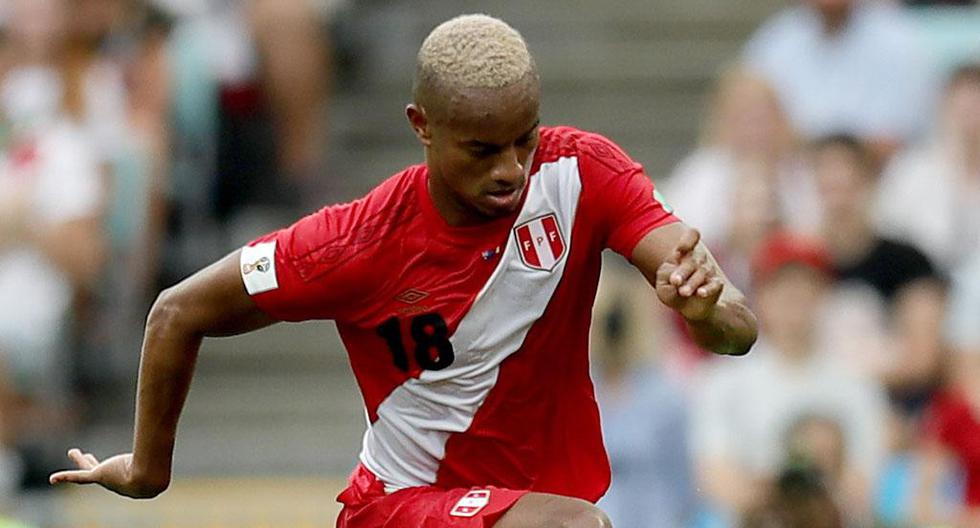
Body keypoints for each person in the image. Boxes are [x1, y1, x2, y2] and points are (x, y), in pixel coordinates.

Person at [47, 14, 758, 528]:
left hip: (531, 508)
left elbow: (737, 329)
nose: (511, 169)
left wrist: (704, 310)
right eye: (482, 149)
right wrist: (148, 468)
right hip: (401, 508)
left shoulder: (583, 174)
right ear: (421, 125)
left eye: (523, 139)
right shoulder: (358, 242)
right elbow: (178, 310)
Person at [691, 232, 887, 525]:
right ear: (761, 295)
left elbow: (864, 484)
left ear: (823, 295)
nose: (793, 297)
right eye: (780, 286)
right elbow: (716, 477)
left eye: (805, 285)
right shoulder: (724, 382)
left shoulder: (857, 385)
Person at [744, 0, 938, 163]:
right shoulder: (775, 42)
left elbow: (898, 141)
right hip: (791, 183)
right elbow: (750, 130)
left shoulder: (900, 42)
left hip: (882, 185)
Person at [875, 63, 980, 271]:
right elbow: (886, 231)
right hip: (921, 281)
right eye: (964, 103)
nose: (971, 112)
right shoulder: (912, 167)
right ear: (944, 105)